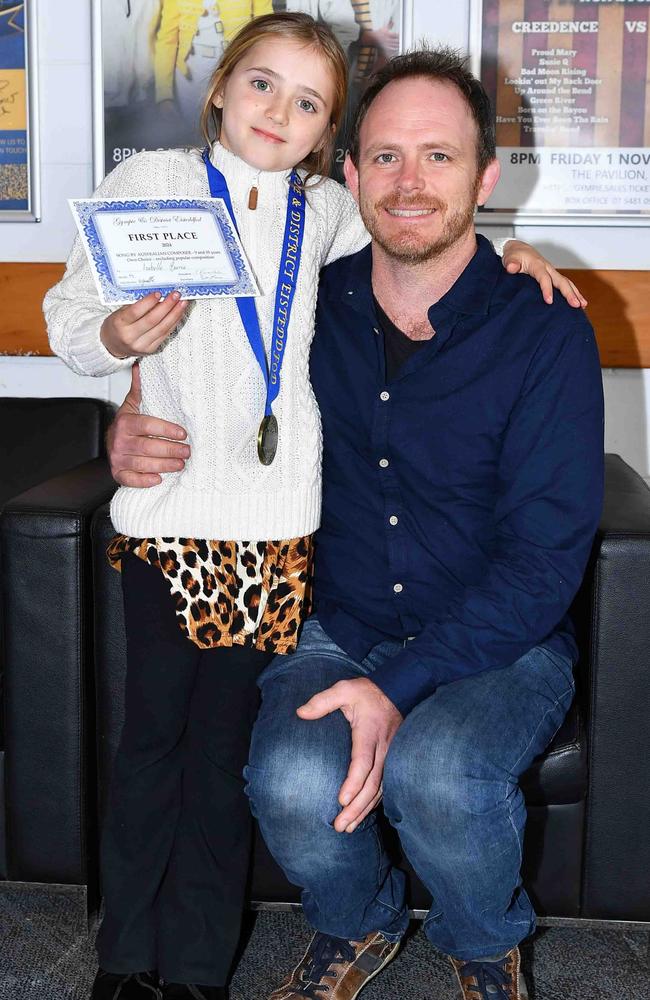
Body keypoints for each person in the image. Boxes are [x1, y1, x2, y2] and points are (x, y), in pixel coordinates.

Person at [105, 45, 602, 1000]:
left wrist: (399, 689)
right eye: (384, 156)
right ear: (347, 172)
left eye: (440, 156)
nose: (409, 183)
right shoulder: (306, 304)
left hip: (502, 639)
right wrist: (125, 425)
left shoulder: (542, 327)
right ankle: (357, 922)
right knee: (291, 782)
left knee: (441, 773)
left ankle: (483, 939)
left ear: (487, 177)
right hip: (340, 626)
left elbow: (544, 562)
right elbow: (196, 368)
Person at [154, 0, 273, 127]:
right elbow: (167, 40)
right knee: (193, 133)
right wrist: (164, 94)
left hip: (236, 68)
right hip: (190, 76)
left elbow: (265, 29)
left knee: (235, 129)